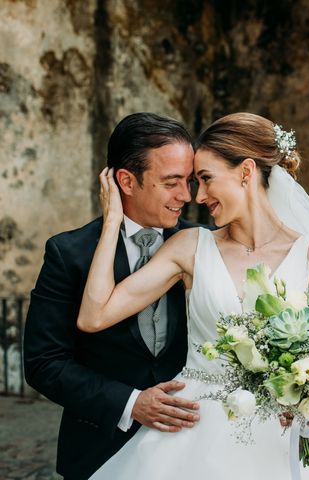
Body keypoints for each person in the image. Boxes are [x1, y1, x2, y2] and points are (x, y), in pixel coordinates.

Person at [78, 112, 309, 479]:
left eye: (205, 179)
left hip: (282, 442)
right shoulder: (190, 247)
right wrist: (112, 223)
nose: (197, 196)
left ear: (246, 172)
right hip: (193, 436)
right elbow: (94, 316)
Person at [23, 113, 203, 480]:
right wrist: (131, 402)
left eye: (189, 180)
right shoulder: (68, 253)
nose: (186, 196)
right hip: (100, 449)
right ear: (126, 181)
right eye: (171, 182)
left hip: (191, 447)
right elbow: (44, 363)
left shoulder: (204, 244)